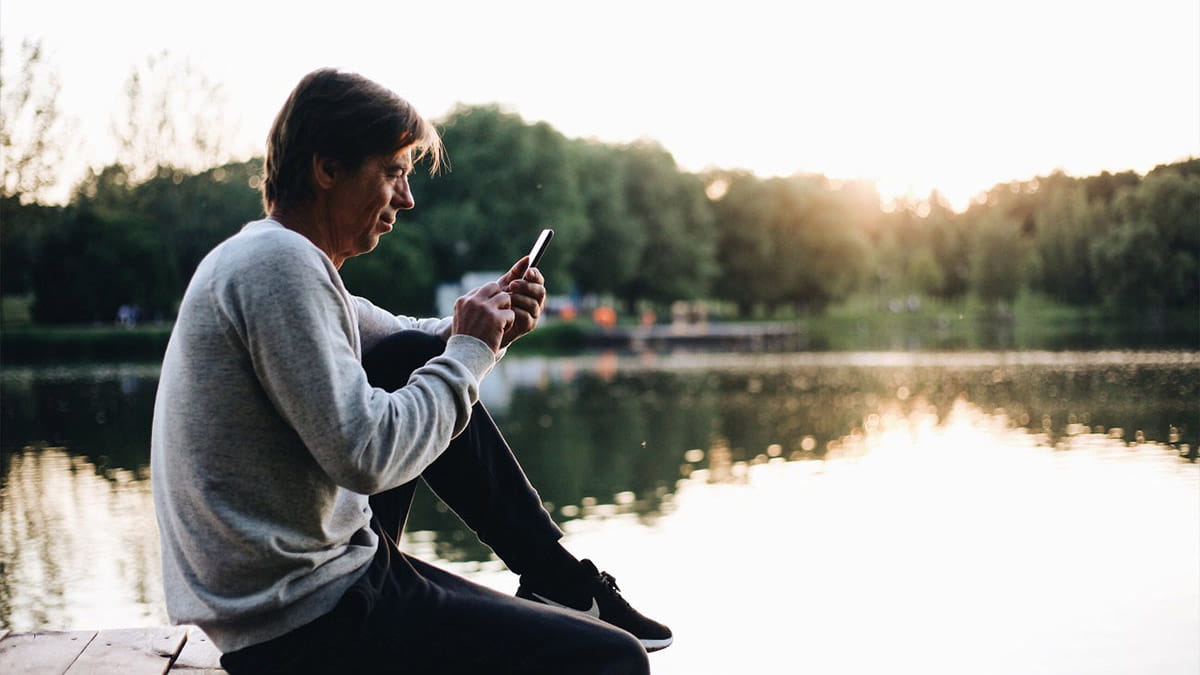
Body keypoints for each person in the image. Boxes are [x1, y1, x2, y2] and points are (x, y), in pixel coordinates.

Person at [150, 68, 671, 674]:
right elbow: (365, 454)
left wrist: (485, 328)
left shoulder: (268, 255)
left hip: (308, 588)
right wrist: (468, 351)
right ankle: (557, 579)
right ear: (327, 169)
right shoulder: (278, 265)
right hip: (300, 618)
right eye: (394, 172)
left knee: (408, 355)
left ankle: (554, 576)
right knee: (610, 662)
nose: (407, 197)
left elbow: (409, 340)